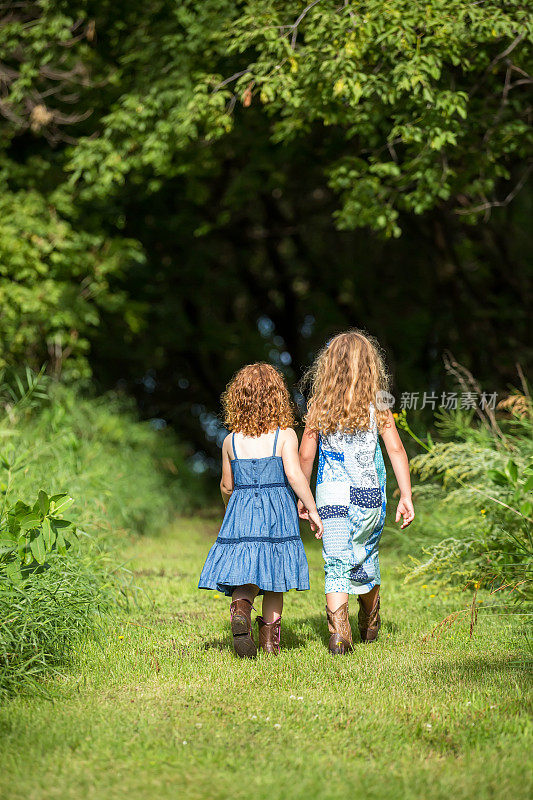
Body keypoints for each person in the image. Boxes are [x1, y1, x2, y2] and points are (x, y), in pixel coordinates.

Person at [298, 330, 414, 653]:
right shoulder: (377, 403)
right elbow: (396, 450)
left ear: (329, 367)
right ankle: (369, 616)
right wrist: (405, 494)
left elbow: (306, 454)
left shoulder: (319, 405)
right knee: (364, 555)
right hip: (369, 496)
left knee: (335, 562)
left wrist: (303, 497)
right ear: (370, 366)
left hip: (331, 497)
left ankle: (338, 633)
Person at [199, 363, 323, 658]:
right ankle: (270, 644)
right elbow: (294, 476)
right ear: (278, 397)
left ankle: (240, 610)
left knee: (245, 575)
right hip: (277, 509)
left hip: (242, 509)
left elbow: (227, 485)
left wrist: (232, 509)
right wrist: (312, 508)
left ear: (237, 400)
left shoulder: (230, 441)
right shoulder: (285, 436)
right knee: (274, 576)